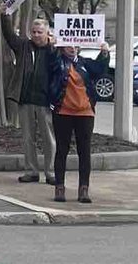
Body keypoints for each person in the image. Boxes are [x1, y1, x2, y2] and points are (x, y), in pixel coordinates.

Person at [47, 43, 110, 204]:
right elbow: (49, 63)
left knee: (84, 151)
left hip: (85, 113)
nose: (72, 48)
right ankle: (60, 187)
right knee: (62, 149)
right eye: (68, 45)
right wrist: (51, 45)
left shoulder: (85, 63)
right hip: (63, 111)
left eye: (75, 45)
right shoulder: (56, 61)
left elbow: (100, 69)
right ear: (62, 47)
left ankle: (83, 189)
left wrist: (104, 53)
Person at [0, 5, 56, 184]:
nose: (36, 35)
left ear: (47, 33)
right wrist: (4, 16)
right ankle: (31, 170)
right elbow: (9, 36)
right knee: (27, 138)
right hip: (25, 100)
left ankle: (51, 171)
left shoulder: (54, 50)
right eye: (33, 32)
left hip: (46, 102)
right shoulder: (24, 46)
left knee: (49, 139)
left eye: (40, 32)